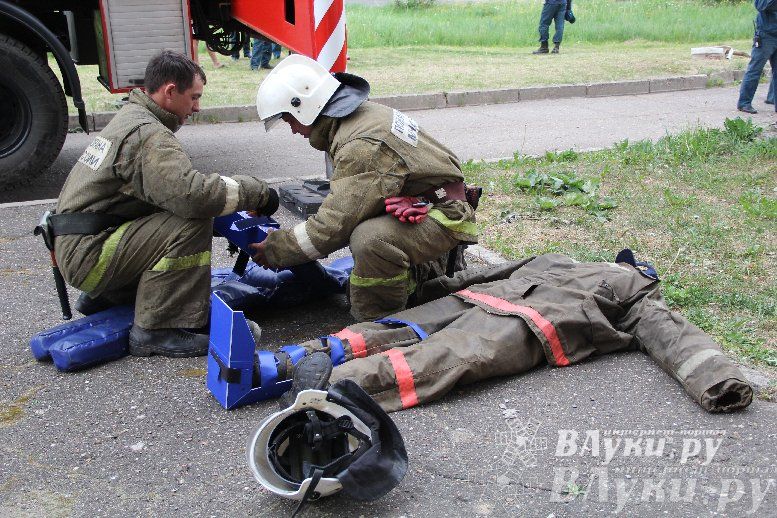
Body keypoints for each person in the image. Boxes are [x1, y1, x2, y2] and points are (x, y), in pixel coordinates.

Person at [270, 251, 753, 414]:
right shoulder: (591, 270)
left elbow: (675, 336)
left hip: (508, 319)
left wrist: (717, 381)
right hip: (497, 313)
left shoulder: (617, 283)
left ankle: (312, 375)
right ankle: (305, 368)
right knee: (411, 344)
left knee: (416, 350)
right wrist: (441, 287)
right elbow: (494, 272)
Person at [51, 50, 278, 358]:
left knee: (180, 211)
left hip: (83, 245)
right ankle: (159, 327)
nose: (197, 107)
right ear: (170, 91)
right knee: (190, 219)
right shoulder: (148, 134)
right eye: (194, 98)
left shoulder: (132, 118)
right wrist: (257, 192)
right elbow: (192, 197)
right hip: (91, 255)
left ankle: (114, 295)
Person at [253, 54, 478, 321]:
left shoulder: (362, 145)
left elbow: (333, 226)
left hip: (447, 214)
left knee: (371, 239)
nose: (291, 129)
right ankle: (425, 276)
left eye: (289, 120)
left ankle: (379, 323)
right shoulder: (362, 117)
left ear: (304, 107)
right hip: (431, 202)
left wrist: (276, 249)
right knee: (365, 225)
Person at [737, 0, 777, 114]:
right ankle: (744, 103)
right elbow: (761, 6)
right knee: (755, 69)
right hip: (766, 35)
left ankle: (772, 100)